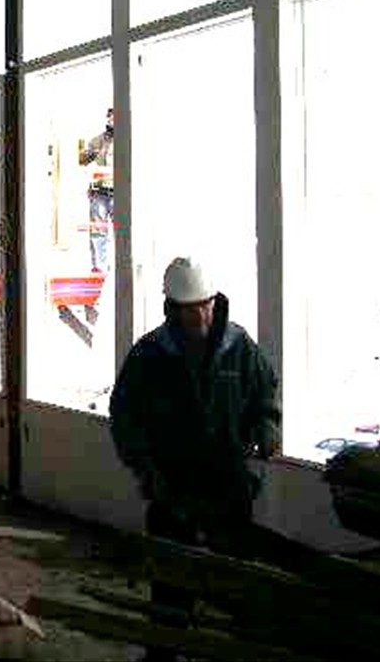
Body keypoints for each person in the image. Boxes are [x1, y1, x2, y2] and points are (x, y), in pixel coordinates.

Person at [109, 256, 280, 659]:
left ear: (215, 301)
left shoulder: (239, 347)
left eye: (204, 305)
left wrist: (268, 427)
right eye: (189, 308)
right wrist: (146, 471)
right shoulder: (151, 355)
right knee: (171, 584)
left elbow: (265, 394)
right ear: (172, 308)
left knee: (234, 580)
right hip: (173, 488)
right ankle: (165, 652)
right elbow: (125, 416)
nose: (199, 315)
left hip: (229, 487)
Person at [79, 107, 114, 274]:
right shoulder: (97, 140)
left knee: (124, 231)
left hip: (120, 192)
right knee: (98, 232)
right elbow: (82, 160)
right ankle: (99, 268)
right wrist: (87, 155)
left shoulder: (127, 139)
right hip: (99, 192)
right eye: (110, 117)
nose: (112, 120)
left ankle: (125, 264)